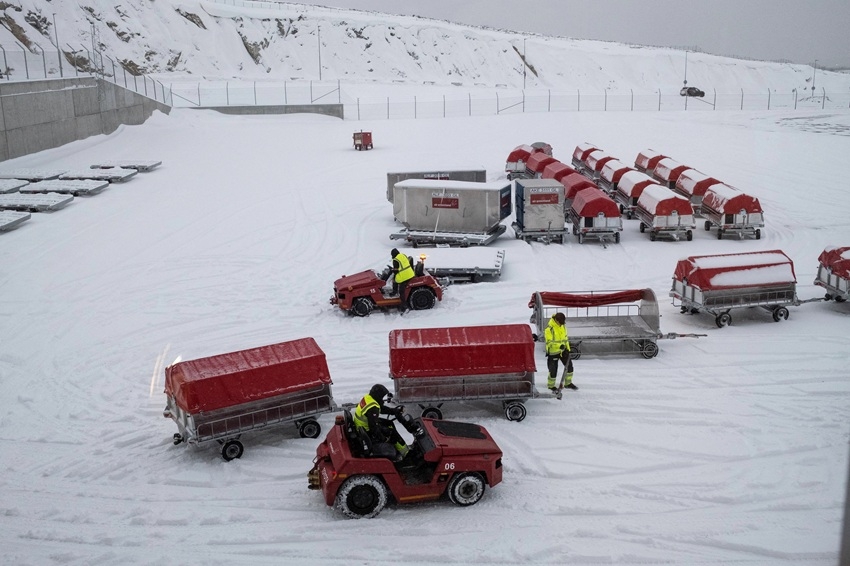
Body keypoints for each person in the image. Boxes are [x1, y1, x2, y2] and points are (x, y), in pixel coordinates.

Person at [352, 383, 409, 460]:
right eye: (382, 397)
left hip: (361, 426)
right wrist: (383, 438)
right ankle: (406, 454)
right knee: (392, 433)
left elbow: (380, 409)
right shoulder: (373, 408)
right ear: (378, 396)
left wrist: (393, 411)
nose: (382, 399)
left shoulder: (368, 398)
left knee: (389, 423)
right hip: (366, 430)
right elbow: (373, 427)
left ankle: (397, 448)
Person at [545, 312, 577, 391]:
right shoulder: (549, 329)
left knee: (569, 367)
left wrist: (568, 349)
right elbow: (549, 343)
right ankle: (551, 385)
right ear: (556, 320)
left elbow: (565, 339)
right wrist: (559, 346)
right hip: (553, 352)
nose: (562, 324)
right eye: (560, 322)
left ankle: (568, 383)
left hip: (563, 351)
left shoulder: (563, 326)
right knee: (553, 370)